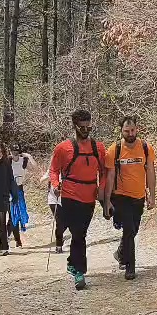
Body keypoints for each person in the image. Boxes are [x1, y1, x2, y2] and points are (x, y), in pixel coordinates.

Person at [48, 109, 108, 290]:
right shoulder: (63, 148)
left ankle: (72, 262)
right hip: (69, 195)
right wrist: (55, 184)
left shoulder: (99, 148)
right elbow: (53, 170)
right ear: (75, 126)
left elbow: (104, 172)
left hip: (89, 196)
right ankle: (80, 273)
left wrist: (101, 189)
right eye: (82, 127)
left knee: (80, 233)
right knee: (79, 234)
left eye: (88, 127)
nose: (86, 130)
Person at [103, 116, 157, 280]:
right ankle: (130, 267)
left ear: (137, 129)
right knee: (128, 229)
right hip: (121, 196)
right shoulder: (115, 150)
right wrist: (107, 201)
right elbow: (110, 176)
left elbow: (150, 172)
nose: (130, 134)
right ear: (121, 131)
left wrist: (152, 196)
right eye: (126, 131)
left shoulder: (146, 148)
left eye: (132, 130)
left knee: (133, 229)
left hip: (139, 196)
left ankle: (120, 253)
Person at [9, 144, 34, 247]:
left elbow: (34, 169)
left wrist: (30, 157)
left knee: (20, 214)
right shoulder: (8, 161)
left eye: (16, 151)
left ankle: (17, 239)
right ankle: (16, 239)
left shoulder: (23, 161)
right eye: (12, 151)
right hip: (9, 190)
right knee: (12, 215)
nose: (15, 153)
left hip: (19, 189)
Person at [41, 167, 67, 253]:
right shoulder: (51, 169)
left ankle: (59, 236)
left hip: (66, 199)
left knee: (67, 222)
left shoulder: (69, 168)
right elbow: (42, 180)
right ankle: (58, 245)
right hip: (53, 199)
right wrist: (50, 177)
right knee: (59, 222)